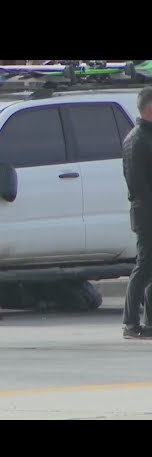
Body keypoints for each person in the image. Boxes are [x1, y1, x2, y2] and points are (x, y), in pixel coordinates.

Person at [123, 86, 152, 338]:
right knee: (144, 266)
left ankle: (150, 321)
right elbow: (138, 185)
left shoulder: (149, 136)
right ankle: (130, 324)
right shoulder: (136, 139)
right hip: (146, 213)